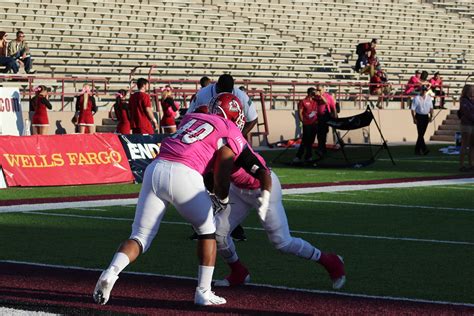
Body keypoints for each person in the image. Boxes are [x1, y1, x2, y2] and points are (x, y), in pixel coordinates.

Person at [92, 93, 249, 306]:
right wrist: (222, 197)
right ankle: (203, 291)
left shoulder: (193, 117)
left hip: (155, 169)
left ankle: (111, 272)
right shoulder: (230, 129)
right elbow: (223, 165)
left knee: (140, 235)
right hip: (184, 172)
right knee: (208, 231)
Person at [213, 148, 346, 290]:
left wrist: (264, 199)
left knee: (282, 242)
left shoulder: (231, 139)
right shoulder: (202, 141)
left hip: (263, 186)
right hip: (237, 189)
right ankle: (238, 271)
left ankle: (330, 261)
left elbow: (263, 173)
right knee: (218, 233)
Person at [187, 74, 258, 138]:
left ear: (232, 89)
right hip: (207, 133)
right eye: (221, 91)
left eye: (227, 92)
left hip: (231, 132)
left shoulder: (241, 96)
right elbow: (189, 116)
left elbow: (253, 119)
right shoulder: (202, 94)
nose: (224, 95)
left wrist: (238, 137)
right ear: (217, 86)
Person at [293, 87, 318, 163]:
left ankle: (308, 156)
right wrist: (302, 121)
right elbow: (300, 112)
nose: (315, 94)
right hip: (307, 123)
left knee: (311, 141)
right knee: (305, 141)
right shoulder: (303, 101)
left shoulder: (316, 101)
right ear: (310, 93)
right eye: (313, 92)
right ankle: (298, 156)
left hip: (314, 124)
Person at [314, 85, 337, 157]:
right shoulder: (315, 97)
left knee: (323, 134)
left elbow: (330, 105)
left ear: (323, 90)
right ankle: (321, 149)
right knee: (319, 135)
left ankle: (322, 150)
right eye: (317, 90)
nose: (318, 92)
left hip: (325, 117)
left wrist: (335, 117)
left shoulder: (328, 96)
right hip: (317, 118)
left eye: (319, 90)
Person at [411, 85, 433, 155]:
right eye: (423, 90)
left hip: (426, 116)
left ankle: (417, 150)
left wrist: (431, 116)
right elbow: (412, 109)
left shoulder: (429, 98)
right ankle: (424, 149)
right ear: (421, 90)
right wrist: (414, 118)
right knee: (420, 133)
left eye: (425, 90)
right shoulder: (416, 98)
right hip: (419, 116)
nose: (424, 91)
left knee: (421, 134)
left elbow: (431, 108)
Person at [458, 85, 474, 171]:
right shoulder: (463, 100)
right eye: (471, 90)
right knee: (465, 145)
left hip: (472, 124)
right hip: (467, 124)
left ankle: (471, 164)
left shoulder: (472, 100)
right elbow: (467, 112)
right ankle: (461, 165)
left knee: (472, 145)